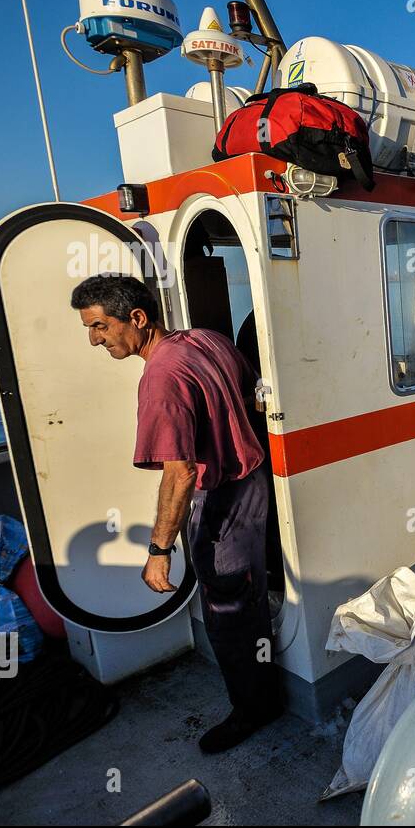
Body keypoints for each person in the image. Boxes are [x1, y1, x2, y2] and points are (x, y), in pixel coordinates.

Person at [71, 274, 282, 754]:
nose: (94, 340)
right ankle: (260, 689)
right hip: (253, 484)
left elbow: (180, 474)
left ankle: (254, 709)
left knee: (228, 609)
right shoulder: (206, 339)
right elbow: (254, 394)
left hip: (223, 498)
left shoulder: (161, 378)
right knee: (245, 595)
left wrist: (158, 550)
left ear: (137, 319)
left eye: (100, 327)